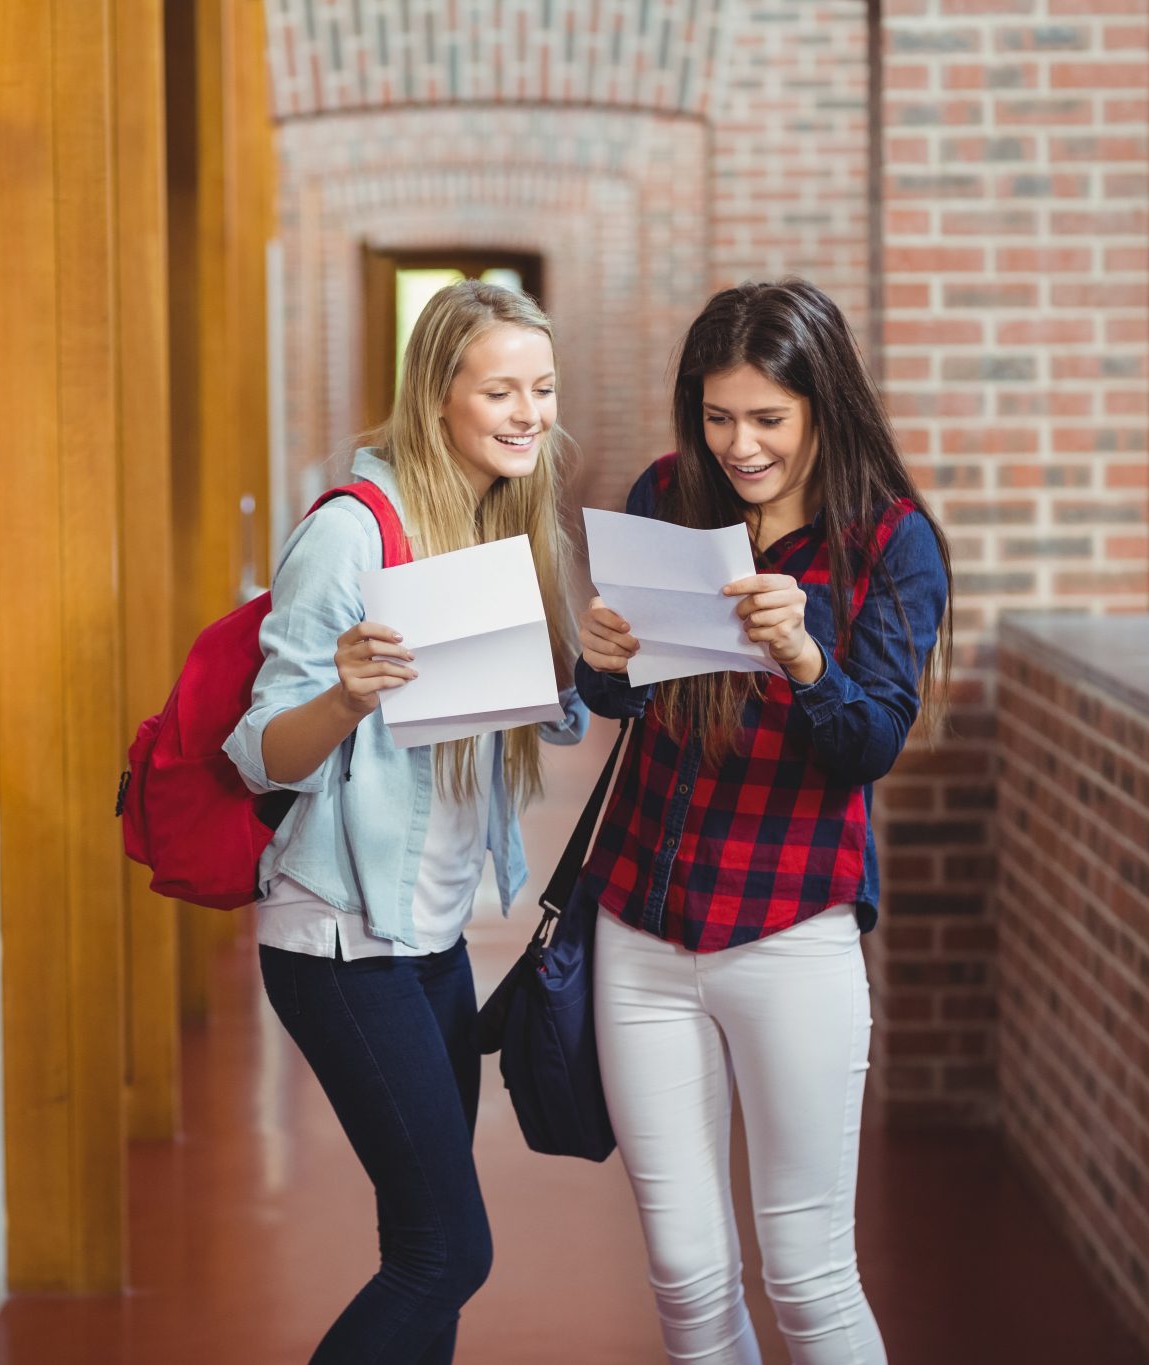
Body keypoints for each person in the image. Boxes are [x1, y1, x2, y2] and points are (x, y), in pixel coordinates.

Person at [575, 279, 953, 1364]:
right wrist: (599, 662)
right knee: (687, 1280)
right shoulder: (663, 494)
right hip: (642, 926)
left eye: (767, 419)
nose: (738, 444)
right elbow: (618, 702)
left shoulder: (888, 541)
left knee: (806, 1275)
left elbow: (866, 745)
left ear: (822, 405)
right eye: (715, 414)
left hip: (789, 933)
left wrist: (802, 658)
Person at [223, 278, 588, 1363]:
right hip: (340, 944)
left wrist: (581, 661)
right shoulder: (351, 533)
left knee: (418, 1250)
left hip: (429, 945)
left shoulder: (497, 522)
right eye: (499, 392)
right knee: (448, 1251)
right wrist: (343, 695)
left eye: (543, 389)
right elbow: (255, 758)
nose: (528, 414)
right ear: (436, 398)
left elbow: (541, 722)